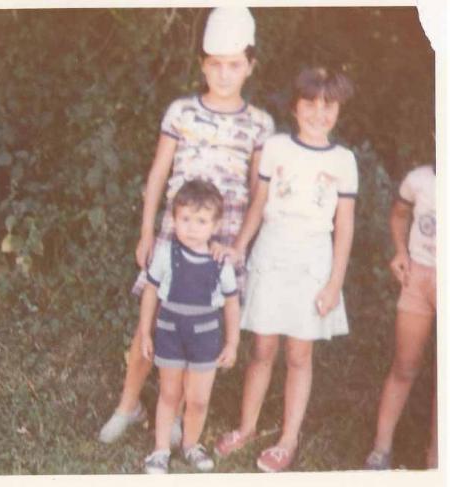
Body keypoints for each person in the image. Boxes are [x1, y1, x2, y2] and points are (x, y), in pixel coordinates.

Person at [98, 6, 274, 446]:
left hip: (221, 245)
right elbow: (159, 173)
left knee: (198, 323)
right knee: (156, 317)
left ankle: (175, 414)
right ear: (202, 65)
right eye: (215, 64)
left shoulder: (260, 124)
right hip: (174, 237)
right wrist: (146, 232)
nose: (224, 74)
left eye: (234, 65)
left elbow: (259, 194)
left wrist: (239, 246)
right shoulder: (181, 112)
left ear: (250, 66)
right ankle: (128, 405)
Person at [213, 67, 357, 473]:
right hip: (272, 253)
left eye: (328, 106)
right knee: (262, 349)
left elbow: (345, 227)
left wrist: (334, 283)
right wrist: (239, 247)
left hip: (313, 262)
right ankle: (246, 427)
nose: (318, 113)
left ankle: (288, 439)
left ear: (338, 111)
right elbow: (259, 203)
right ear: (295, 107)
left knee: (299, 354)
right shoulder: (275, 147)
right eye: (310, 104)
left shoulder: (344, 161)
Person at [140, 179, 240, 474]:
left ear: (215, 225)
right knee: (169, 394)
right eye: (185, 219)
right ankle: (160, 450)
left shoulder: (220, 262)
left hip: (205, 337)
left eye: (201, 221)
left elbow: (232, 303)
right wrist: (145, 332)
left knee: (198, 399)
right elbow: (150, 291)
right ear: (174, 219)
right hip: (170, 332)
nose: (192, 228)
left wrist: (232, 343)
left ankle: (191, 444)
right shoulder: (165, 253)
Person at [364, 163, 436, 470]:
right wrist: (400, 251)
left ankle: (436, 462)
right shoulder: (419, 179)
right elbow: (399, 214)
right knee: (404, 365)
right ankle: (381, 449)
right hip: (418, 280)